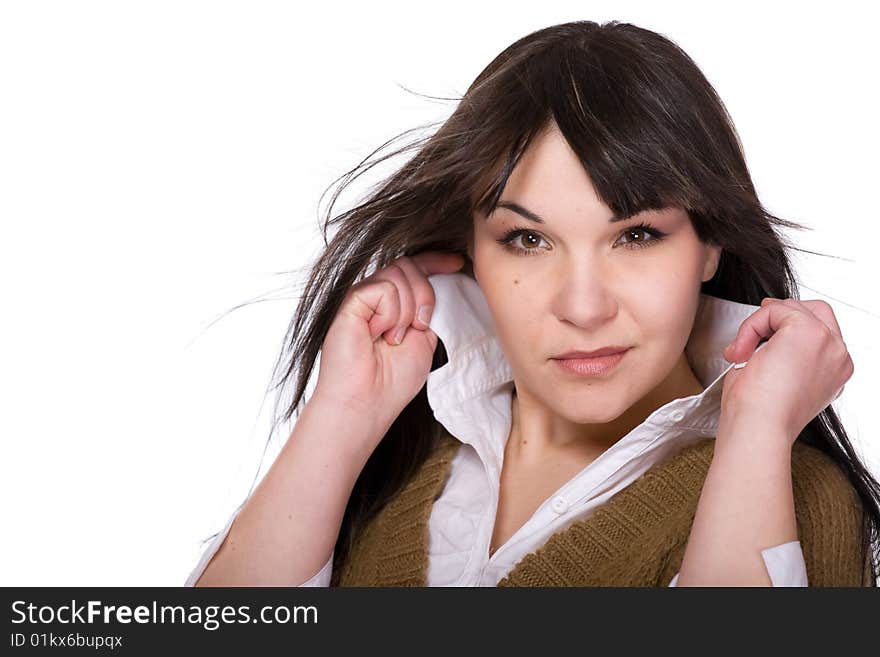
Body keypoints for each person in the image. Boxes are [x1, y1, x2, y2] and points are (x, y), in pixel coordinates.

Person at [187, 20, 879, 587]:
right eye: (527, 239)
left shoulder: (785, 492)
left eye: (636, 235)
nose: (583, 307)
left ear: (708, 244)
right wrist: (339, 419)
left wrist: (755, 431)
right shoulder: (395, 452)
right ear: (471, 249)